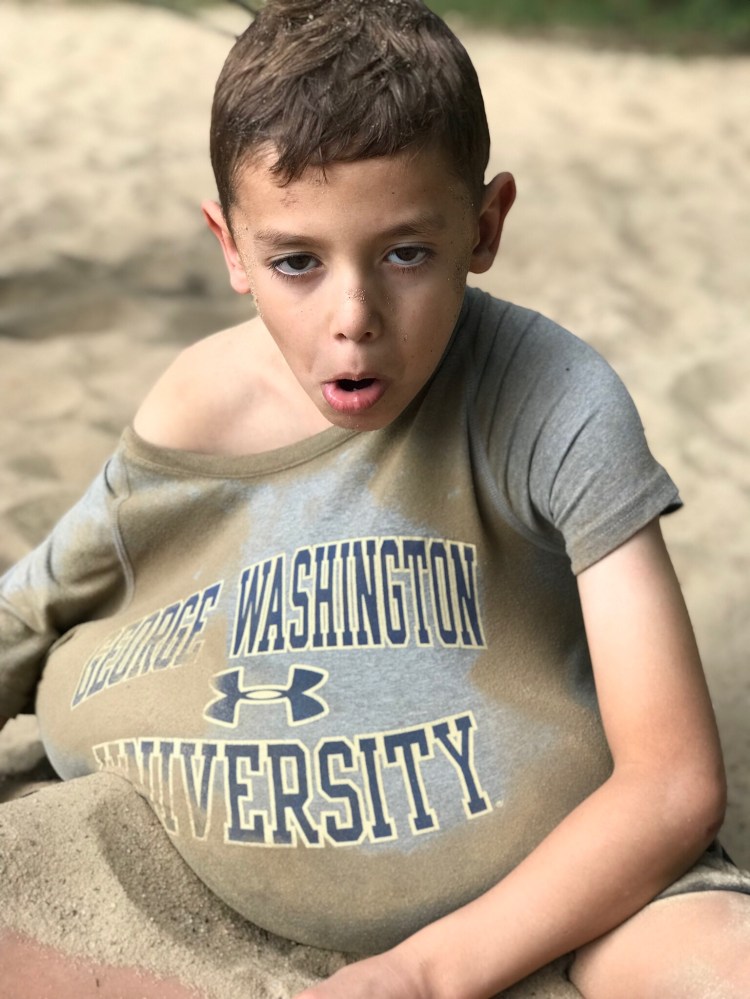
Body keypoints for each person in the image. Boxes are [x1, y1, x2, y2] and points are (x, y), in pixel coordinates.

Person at [1, 0, 749, 995]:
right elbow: (32, 610)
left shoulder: (551, 399)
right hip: (208, 896)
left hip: (558, 892)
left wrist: (423, 973)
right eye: (296, 262)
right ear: (230, 247)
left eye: (405, 253)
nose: (353, 318)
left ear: (484, 226)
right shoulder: (201, 407)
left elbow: (674, 781)